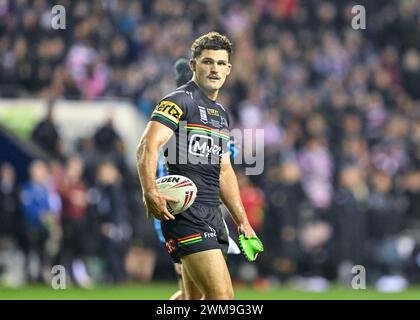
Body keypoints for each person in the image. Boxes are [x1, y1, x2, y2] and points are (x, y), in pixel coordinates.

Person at [137, 32, 257, 300]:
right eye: (207, 62)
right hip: (186, 215)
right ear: (193, 65)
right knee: (222, 298)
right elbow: (147, 146)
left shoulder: (221, 114)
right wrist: (149, 191)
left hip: (212, 214)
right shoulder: (177, 101)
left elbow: (224, 170)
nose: (214, 69)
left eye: (220, 63)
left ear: (228, 69)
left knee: (192, 300)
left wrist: (242, 221)